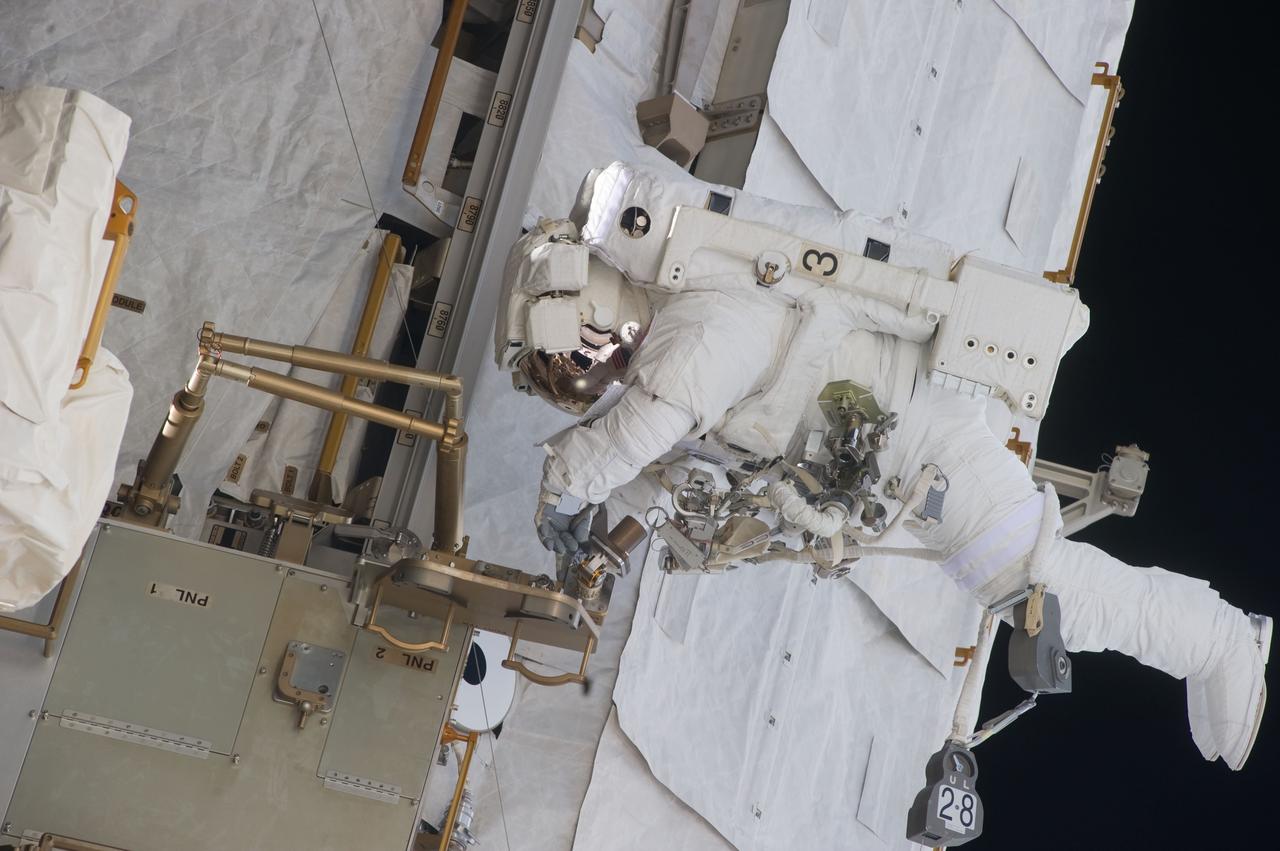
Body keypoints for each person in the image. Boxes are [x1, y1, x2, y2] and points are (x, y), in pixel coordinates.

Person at [496, 161, 1269, 771]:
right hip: (903, 451)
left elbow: (644, 425)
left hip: (928, 445)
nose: (577, 383)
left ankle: (1222, 640)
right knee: (1033, 589)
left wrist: (565, 488)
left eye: (568, 365)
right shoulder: (689, 328)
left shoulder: (696, 333)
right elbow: (666, 458)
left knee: (1039, 589)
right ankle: (1207, 640)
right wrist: (598, 526)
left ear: (595, 317)